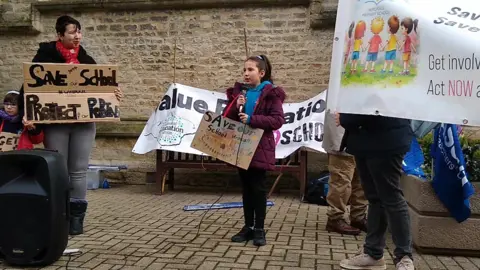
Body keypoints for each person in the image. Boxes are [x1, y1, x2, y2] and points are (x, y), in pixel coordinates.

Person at [18, 15, 123, 236]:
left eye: (79, 32)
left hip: (83, 124)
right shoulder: (44, 57)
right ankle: (57, 215)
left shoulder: (86, 60)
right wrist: (27, 116)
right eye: (72, 32)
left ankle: (76, 218)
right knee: (58, 170)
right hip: (56, 125)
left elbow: (102, 87)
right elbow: (27, 89)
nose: (77, 36)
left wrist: (114, 94)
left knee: (79, 171)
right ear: (60, 35)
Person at [335, 112, 414, 270]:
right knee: (375, 199)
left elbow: (374, 105)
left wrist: (345, 118)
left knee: (392, 198)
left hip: (386, 141)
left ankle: (404, 257)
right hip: (364, 141)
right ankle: (373, 253)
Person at [223, 55, 285, 246]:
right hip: (241, 147)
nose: (246, 74)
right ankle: (248, 227)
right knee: (247, 190)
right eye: (244, 70)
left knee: (258, 190)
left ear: (262, 73)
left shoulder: (271, 94)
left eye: (250, 70)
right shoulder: (241, 93)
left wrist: (252, 119)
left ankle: (259, 229)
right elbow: (229, 118)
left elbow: (277, 120)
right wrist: (236, 105)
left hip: (260, 148)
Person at [323, 112, 367, 235]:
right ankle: (335, 218)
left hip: (363, 134)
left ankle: (358, 216)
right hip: (342, 133)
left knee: (362, 179)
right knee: (341, 180)